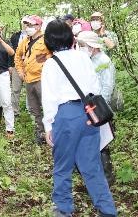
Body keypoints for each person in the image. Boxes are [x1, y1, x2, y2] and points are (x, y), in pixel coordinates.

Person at [41, 19, 117, 217]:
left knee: (63, 166)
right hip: (88, 113)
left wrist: (48, 125)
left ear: (48, 41)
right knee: (92, 167)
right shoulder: (83, 58)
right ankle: (108, 211)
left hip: (66, 116)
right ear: (70, 37)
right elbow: (96, 88)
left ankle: (63, 210)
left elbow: (49, 98)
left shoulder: (51, 64)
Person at [77, 31, 116, 185]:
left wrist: (100, 110)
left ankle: (106, 178)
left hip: (99, 108)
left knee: (102, 144)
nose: (81, 48)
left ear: (92, 46)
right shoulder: (89, 60)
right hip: (89, 106)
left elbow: (107, 86)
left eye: (83, 45)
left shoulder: (104, 61)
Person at [14, 15, 51, 144]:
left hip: (42, 79)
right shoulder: (25, 41)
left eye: (31, 25)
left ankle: (51, 133)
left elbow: (53, 57)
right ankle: (40, 133)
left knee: (47, 107)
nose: (28, 28)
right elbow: (17, 56)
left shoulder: (47, 40)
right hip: (28, 80)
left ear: (39, 26)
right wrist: (20, 71)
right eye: (27, 25)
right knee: (34, 109)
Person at [8, 16, 30, 116]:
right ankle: (14, 112)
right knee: (15, 89)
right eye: (24, 22)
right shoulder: (15, 36)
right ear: (22, 23)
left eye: (28, 22)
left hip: (30, 66)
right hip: (17, 65)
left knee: (31, 90)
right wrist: (10, 65)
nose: (26, 24)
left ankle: (31, 111)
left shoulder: (37, 37)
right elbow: (11, 52)